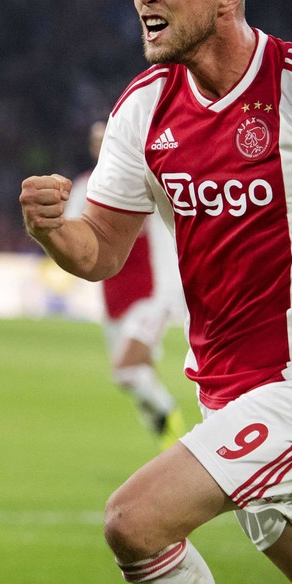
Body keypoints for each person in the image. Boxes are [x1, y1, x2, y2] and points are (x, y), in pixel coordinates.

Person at [20, 0, 292, 584]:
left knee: (135, 523)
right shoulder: (145, 109)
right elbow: (101, 250)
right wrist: (52, 233)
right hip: (233, 395)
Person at [65, 120, 186, 449]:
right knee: (140, 373)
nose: (99, 144)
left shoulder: (144, 181)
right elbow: (72, 235)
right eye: (94, 139)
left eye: (105, 137)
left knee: (126, 371)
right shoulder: (83, 187)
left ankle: (170, 416)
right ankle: (169, 444)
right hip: (113, 297)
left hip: (152, 294)